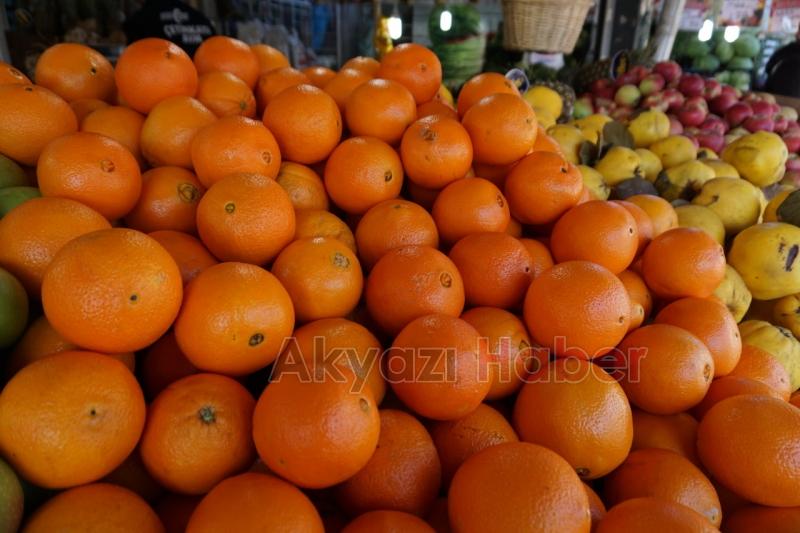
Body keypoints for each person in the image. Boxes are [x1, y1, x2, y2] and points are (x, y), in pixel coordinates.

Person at [124, 0, 215, 56]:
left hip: (161, 79)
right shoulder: (198, 16)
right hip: (211, 78)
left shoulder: (140, 19)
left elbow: (133, 55)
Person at [764, 27, 800, 98]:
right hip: (782, 100)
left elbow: (768, 68)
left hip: (775, 98)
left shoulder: (789, 50)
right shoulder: (790, 51)